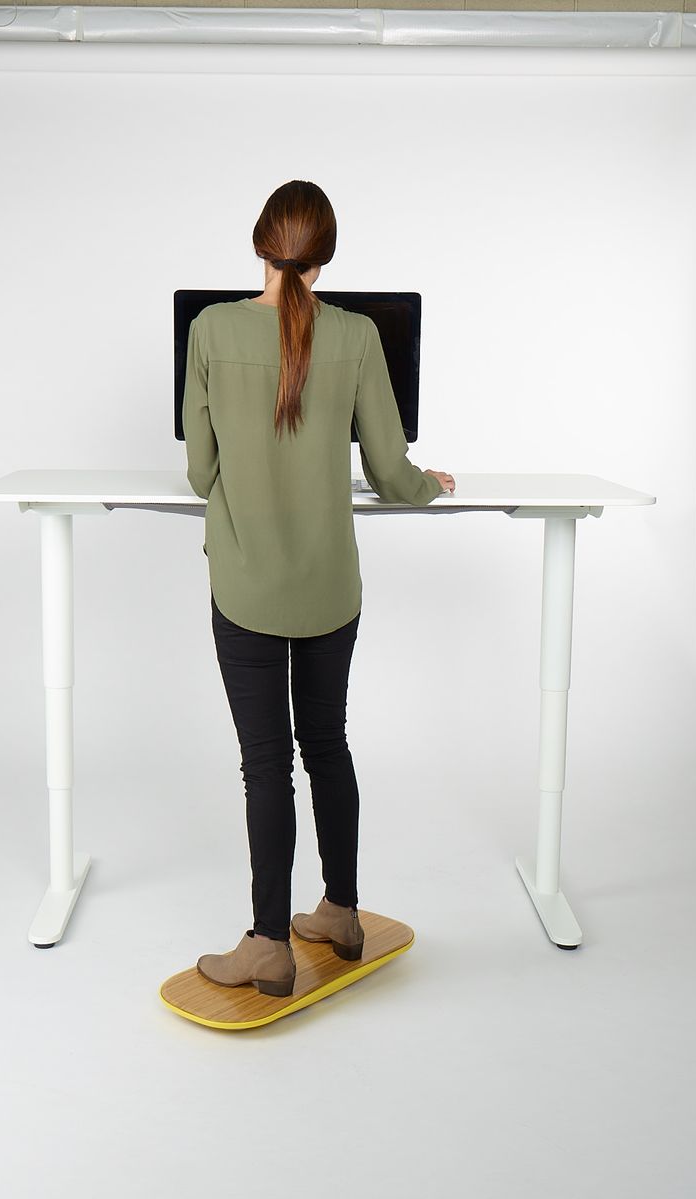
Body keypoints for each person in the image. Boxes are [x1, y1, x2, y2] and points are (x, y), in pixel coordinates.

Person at [181, 180, 454, 997]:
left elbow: (201, 474)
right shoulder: (361, 336)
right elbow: (387, 466)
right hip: (331, 585)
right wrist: (428, 483)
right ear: (326, 255)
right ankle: (340, 910)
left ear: (258, 246)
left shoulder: (210, 329)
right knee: (325, 744)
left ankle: (270, 945)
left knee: (266, 763)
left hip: (246, 583)